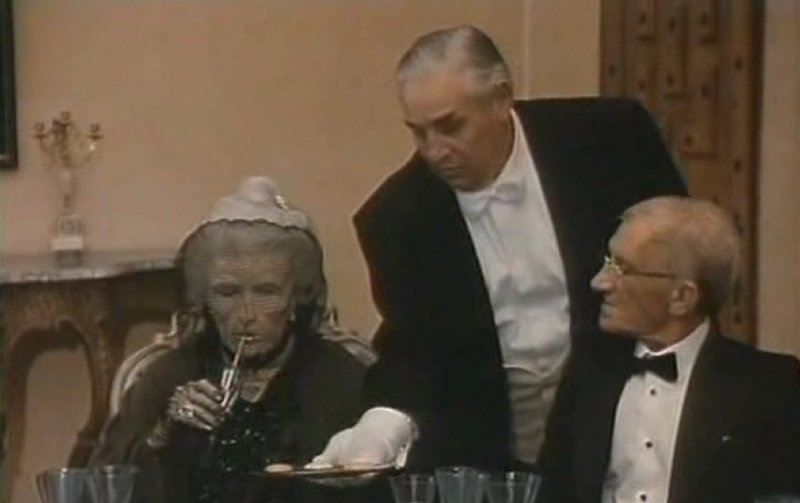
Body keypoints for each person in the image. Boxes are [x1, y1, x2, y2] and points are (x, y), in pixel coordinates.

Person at [313, 25, 687, 471]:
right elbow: (415, 351)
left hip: (637, 431)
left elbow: (685, 265)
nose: (434, 152)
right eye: (419, 133)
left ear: (501, 99)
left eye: (450, 127)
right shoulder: (397, 218)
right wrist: (381, 426)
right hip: (493, 456)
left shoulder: (610, 138)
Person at [90, 177, 368, 503]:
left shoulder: (340, 378)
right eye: (227, 292)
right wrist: (164, 433)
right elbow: (101, 488)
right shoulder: (168, 374)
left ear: (295, 300)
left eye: (266, 291)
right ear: (205, 300)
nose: (246, 313)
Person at [538, 196, 800, 503]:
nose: (599, 283)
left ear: (682, 298)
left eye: (621, 268)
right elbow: (552, 490)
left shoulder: (769, 385)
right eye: (608, 261)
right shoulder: (591, 369)